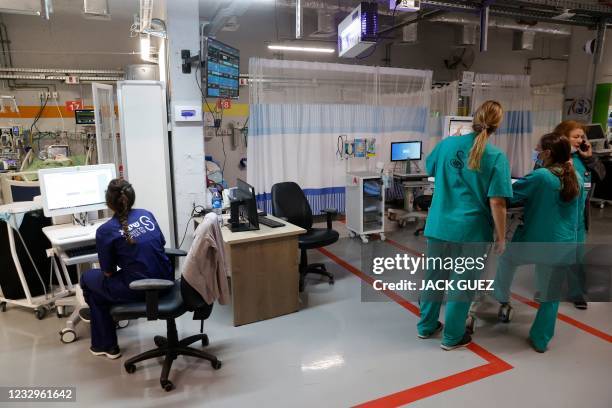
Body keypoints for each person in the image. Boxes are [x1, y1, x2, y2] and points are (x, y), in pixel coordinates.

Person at [417, 100, 512, 350]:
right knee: (462, 284)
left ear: (474, 120)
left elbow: (430, 168)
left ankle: (426, 327)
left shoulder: (447, 144)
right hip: (471, 231)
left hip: (439, 226)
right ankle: (452, 337)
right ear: (497, 126)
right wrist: (502, 237)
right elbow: (498, 203)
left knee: (434, 278)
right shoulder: (496, 157)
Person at [494, 133, 583, 352]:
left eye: (538, 149)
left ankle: (502, 298)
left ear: (547, 153)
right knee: (549, 295)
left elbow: (508, 195)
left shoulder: (542, 176)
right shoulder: (577, 177)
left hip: (536, 243)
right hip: (563, 245)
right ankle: (541, 339)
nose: (535, 151)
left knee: (506, 259)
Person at [80, 179, 173, 359]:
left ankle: (106, 344)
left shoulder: (105, 231)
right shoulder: (146, 214)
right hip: (167, 278)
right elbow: (161, 244)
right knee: (99, 293)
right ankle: (104, 327)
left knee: (88, 281)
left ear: (109, 203)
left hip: (141, 288)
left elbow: (108, 273)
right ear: (131, 197)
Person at [553, 120, 605, 309]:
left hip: (578, 219)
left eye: (582, 136)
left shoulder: (585, 158)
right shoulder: (553, 157)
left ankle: (576, 292)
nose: (580, 140)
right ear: (563, 137)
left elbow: (601, 176)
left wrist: (591, 158)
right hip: (558, 217)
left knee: (577, 256)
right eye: (575, 136)